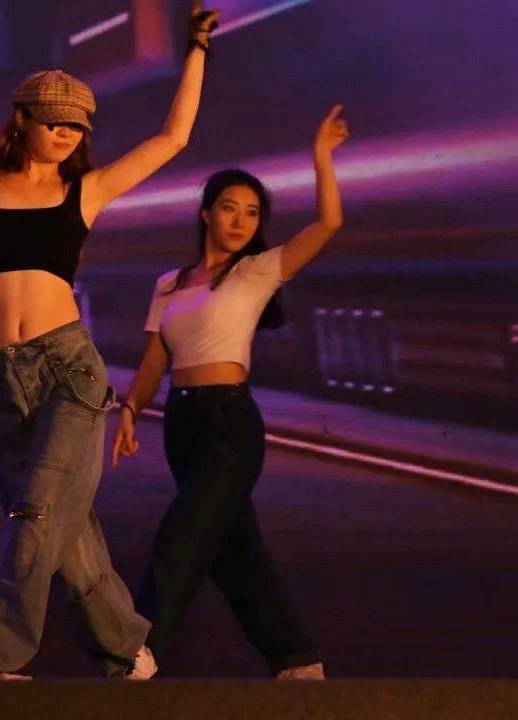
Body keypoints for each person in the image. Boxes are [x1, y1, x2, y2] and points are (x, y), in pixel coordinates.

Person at [0, 1, 221, 681]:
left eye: (77, 125)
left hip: (68, 371)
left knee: (36, 514)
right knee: (58, 526)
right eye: (54, 121)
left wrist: (197, 48)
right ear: (22, 120)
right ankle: (125, 648)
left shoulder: (84, 191)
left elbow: (173, 138)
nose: (66, 133)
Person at [111, 105, 350, 679]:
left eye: (252, 212)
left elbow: (327, 225)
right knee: (233, 550)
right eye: (229, 208)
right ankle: (297, 658)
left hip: (230, 425)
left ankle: (136, 651)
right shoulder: (168, 284)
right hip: (183, 425)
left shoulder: (256, 272)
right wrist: (130, 407)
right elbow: (155, 359)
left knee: (183, 535)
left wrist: (321, 157)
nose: (241, 221)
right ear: (206, 213)